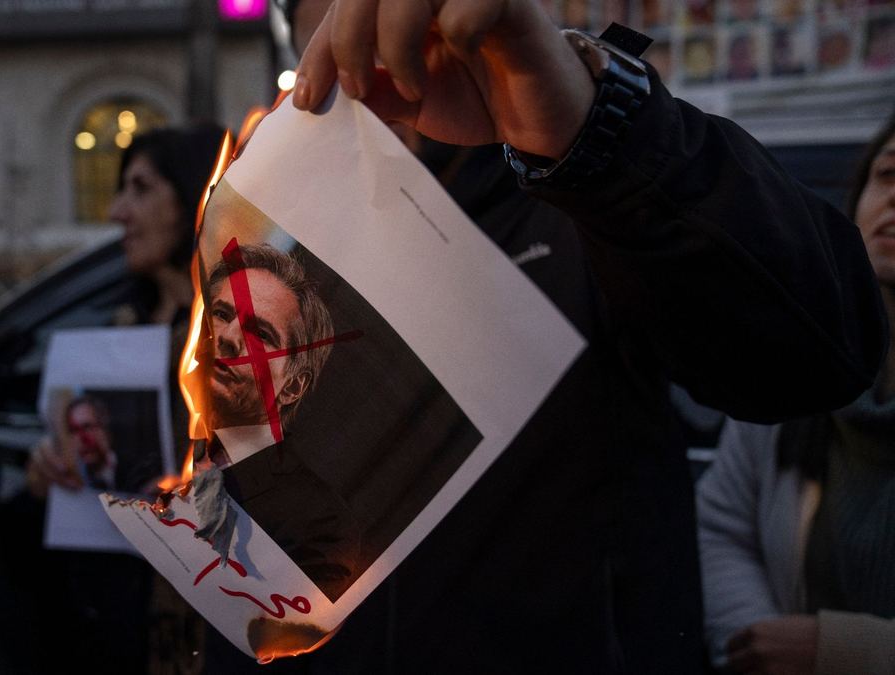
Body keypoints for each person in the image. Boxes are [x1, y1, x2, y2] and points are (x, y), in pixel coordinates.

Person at [204, 1, 889, 673]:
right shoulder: (278, 249)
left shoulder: (579, 192)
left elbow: (820, 351)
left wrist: (592, 133)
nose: (369, 33)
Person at [4, 124, 226, 675]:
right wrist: (46, 473)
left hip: (209, 628)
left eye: (141, 189)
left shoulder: (249, 342)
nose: (116, 211)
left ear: (198, 193)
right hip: (107, 624)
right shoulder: (113, 333)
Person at [697, 111, 895, 675]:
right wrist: (758, 641)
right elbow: (722, 525)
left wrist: (844, 653)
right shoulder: (795, 365)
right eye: (886, 174)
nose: (894, 197)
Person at [203, 242, 361, 601]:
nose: (228, 337)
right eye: (222, 314)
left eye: (260, 334)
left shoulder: (320, 524)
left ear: (292, 386)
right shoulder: (160, 440)